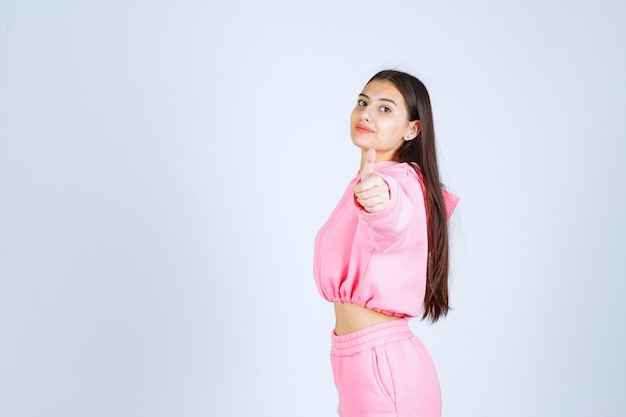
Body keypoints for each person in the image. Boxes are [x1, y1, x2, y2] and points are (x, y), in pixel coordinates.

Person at [313, 69, 459, 417]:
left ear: (412, 129)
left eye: (385, 108)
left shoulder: (399, 183)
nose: (366, 113)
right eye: (363, 102)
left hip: (384, 369)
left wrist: (381, 203)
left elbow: (394, 221)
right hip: (360, 363)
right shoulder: (365, 182)